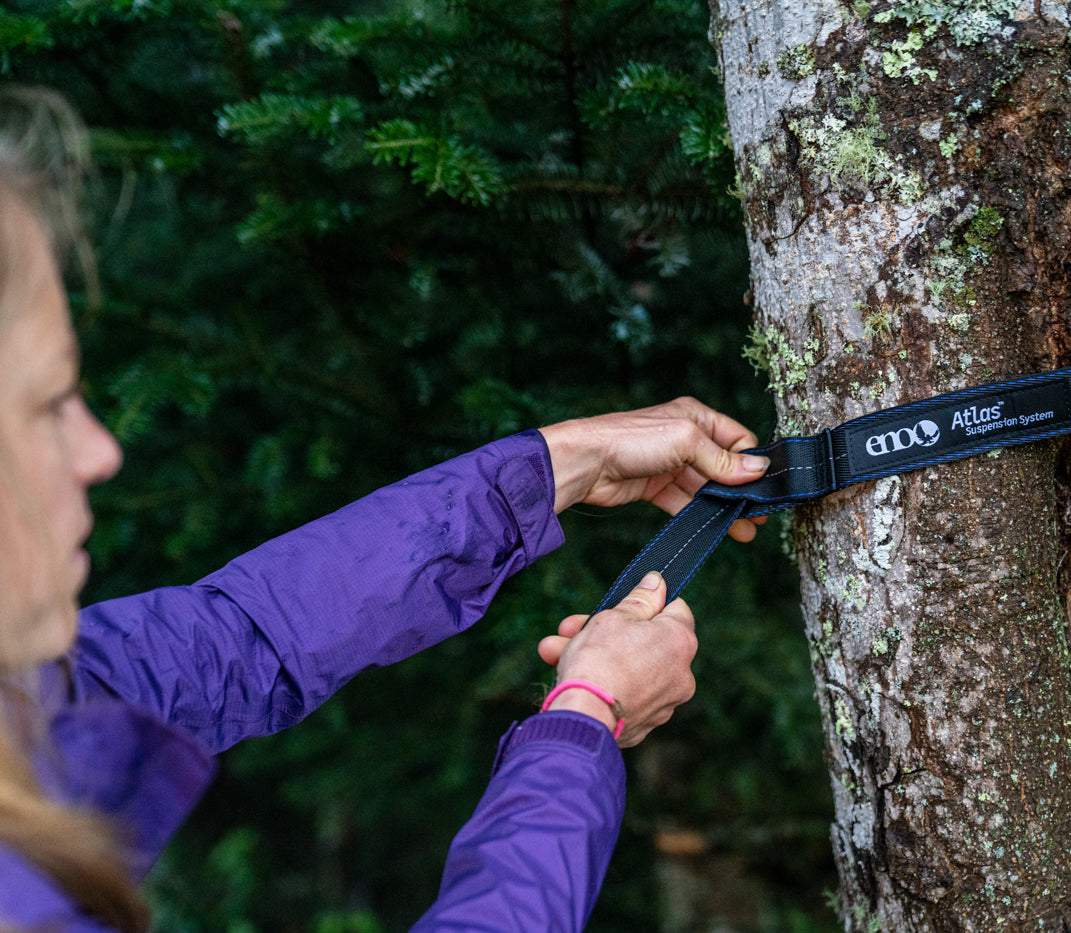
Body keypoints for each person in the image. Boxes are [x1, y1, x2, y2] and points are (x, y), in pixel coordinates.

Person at [0, 87, 769, 932]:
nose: (101, 451)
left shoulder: (25, 695)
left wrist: (555, 464)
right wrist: (584, 722)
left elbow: (246, 638)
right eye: (47, 405)